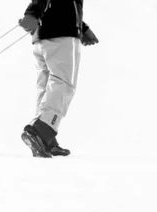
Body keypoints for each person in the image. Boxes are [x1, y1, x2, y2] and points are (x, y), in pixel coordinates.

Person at [19, 0, 99, 158]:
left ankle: (45, 138)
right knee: (63, 83)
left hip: (43, 35)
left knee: (47, 86)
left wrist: (81, 27)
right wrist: (32, 13)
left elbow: (62, 4)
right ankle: (42, 131)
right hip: (60, 36)